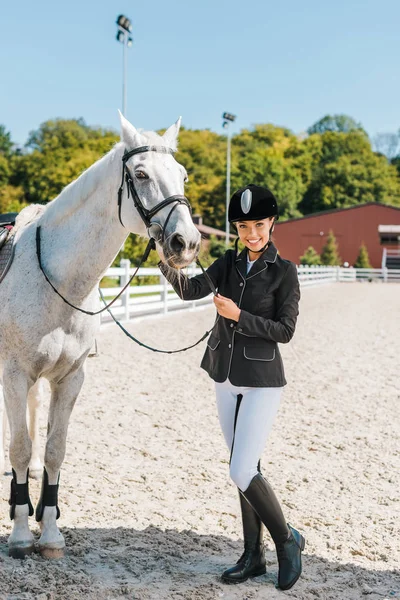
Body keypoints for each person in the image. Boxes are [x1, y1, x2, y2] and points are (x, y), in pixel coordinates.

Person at [158, 184, 304, 590]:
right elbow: (189, 289)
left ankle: (287, 541)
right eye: (243, 226)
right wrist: (161, 256)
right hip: (224, 376)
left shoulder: (284, 272)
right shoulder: (227, 264)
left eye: (258, 224)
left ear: (272, 223)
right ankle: (253, 555)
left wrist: (239, 316)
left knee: (240, 469)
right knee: (247, 470)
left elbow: (285, 331)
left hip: (262, 382)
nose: (252, 233)